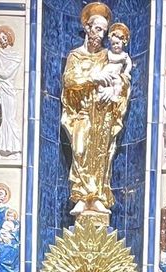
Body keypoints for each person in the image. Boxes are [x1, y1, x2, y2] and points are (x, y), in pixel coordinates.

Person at [60, 2, 129, 216]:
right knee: (80, 150)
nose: (101, 35)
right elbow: (69, 79)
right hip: (80, 113)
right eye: (97, 29)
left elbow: (124, 78)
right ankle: (81, 195)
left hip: (102, 113)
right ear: (88, 28)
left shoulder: (108, 56)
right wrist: (92, 77)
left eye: (104, 31)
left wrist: (116, 92)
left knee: (101, 154)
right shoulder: (75, 55)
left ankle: (96, 196)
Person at [0, 25, 22, 156]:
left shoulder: (15, 56)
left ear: (9, 37)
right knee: (0, 118)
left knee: (9, 117)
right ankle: (1, 145)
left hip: (8, 90)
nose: (2, 40)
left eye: (4, 37)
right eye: (0, 38)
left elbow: (5, 74)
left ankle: (13, 146)